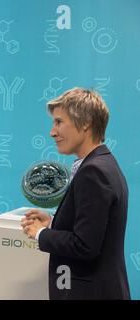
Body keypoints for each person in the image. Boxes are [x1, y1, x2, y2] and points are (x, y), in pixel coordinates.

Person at [21, 88, 131, 300]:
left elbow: (85, 246)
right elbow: (93, 229)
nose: (52, 132)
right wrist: (53, 223)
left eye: (59, 122)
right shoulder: (102, 163)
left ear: (86, 122)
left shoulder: (94, 171)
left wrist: (40, 233)